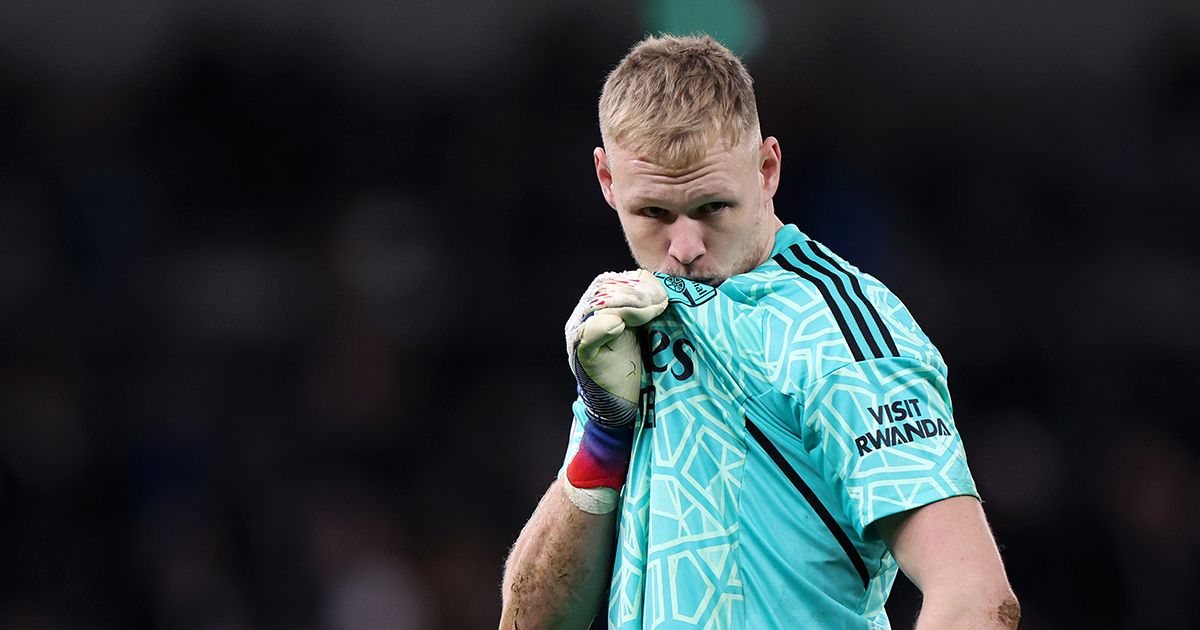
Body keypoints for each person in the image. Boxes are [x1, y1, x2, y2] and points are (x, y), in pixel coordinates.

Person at [500, 34, 1019, 629]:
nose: (685, 248)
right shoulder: (633, 322)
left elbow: (977, 597)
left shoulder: (835, 332)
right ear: (607, 179)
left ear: (768, 168)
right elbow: (531, 621)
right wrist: (603, 432)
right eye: (654, 214)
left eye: (713, 207)